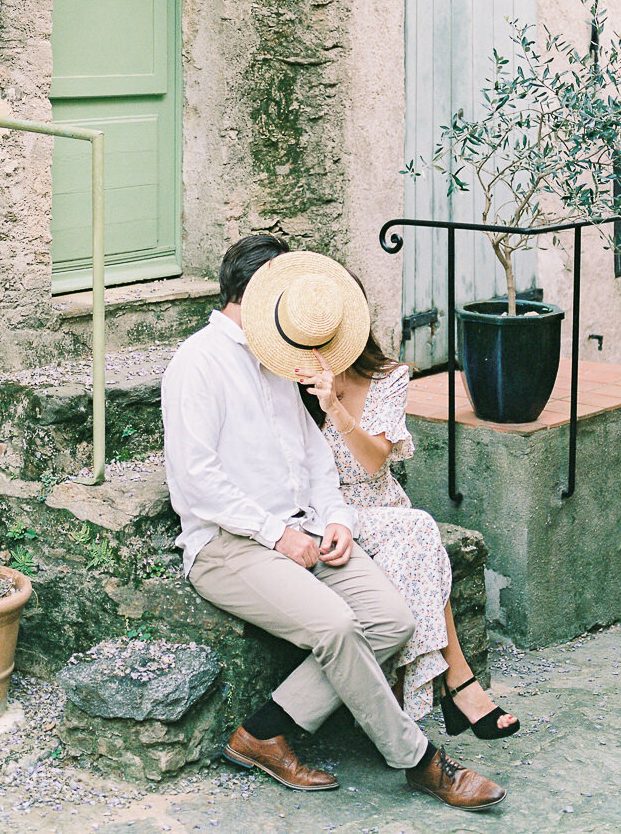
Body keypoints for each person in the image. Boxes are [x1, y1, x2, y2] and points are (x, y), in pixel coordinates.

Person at [161, 235, 507, 811]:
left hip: (307, 531)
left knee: (393, 620)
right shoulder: (198, 363)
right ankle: (421, 762)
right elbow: (196, 480)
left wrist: (337, 518)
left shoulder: (274, 357)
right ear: (253, 295)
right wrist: (278, 535)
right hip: (228, 547)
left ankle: (261, 733)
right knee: (339, 627)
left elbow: (315, 458)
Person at [299, 305, 520, 739]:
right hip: (327, 514)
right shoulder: (288, 383)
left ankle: (411, 700)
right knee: (420, 532)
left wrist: (335, 408)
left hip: (382, 504)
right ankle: (457, 685)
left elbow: (370, 463)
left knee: (415, 538)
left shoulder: (387, 379)